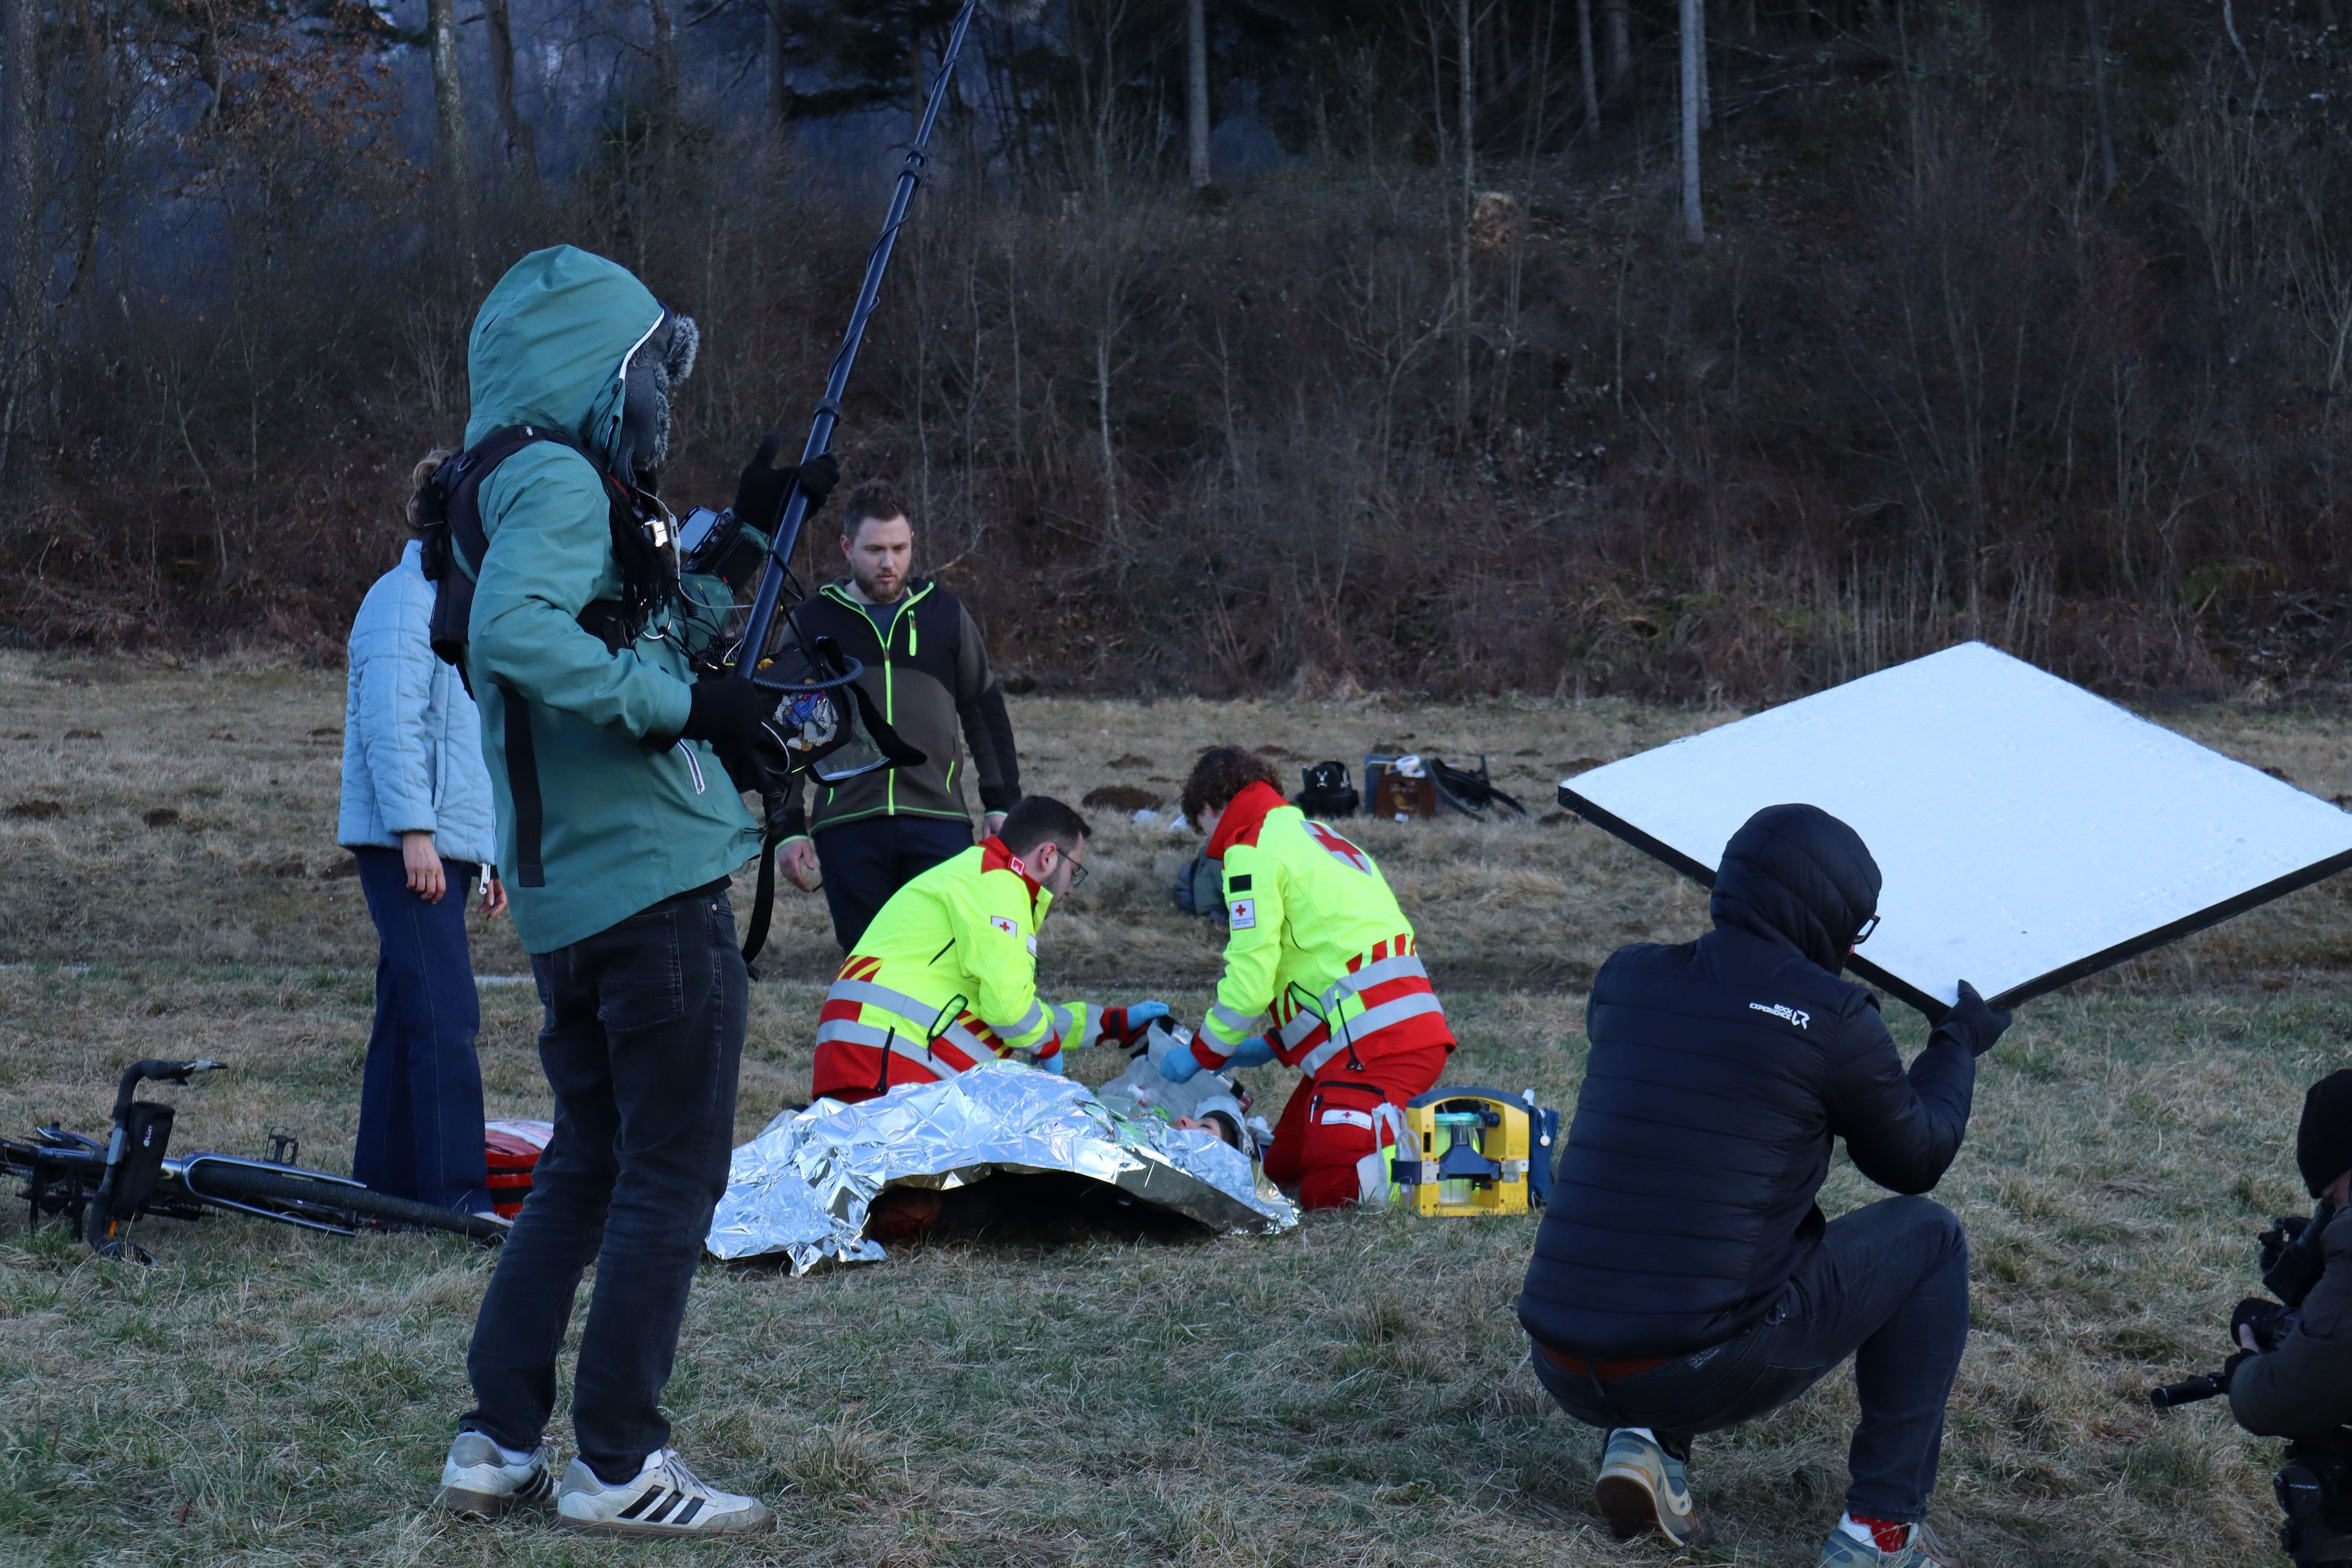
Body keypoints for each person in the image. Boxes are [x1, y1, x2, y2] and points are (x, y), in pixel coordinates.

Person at [430, 245, 834, 1539]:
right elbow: (524, 636)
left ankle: (496, 1443)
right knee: (671, 1175)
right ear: (600, 369)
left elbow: (639, 626)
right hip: (647, 886)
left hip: (571, 894)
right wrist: (690, 709)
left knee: (586, 1167)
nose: (662, 394)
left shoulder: (502, 478)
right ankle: (617, 1462)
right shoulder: (556, 474)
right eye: (651, 367)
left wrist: (750, 535)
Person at [1516, 804, 2012, 1568]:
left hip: (1561, 1359)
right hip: (1692, 1367)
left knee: (1688, 1195)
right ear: (1828, 917)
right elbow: (1914, 1161)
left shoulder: (1626, 977)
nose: (1854, 946)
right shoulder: (1832, 1014)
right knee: (1930, 1236)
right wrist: (1956, 1043)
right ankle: (1880, 1534)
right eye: (1856, 926)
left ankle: (1646, 1445)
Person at [1156, 747, 1456, 1210]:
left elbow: (1251, 980)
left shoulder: (1249, 848)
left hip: (1377, 1049)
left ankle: (1466, 1159)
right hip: (1397, 1032)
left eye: (1205, 830)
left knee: (1327, 1185)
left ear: (1212, 808)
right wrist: (1273, 1045)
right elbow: (1335, 958)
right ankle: (1396, 1127)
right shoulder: (1313, 833)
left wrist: (1203, 1052)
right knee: (1280, 1166)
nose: (1212, 848)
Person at [337, 454, 507, 1218]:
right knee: (447, 1016)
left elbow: (468, 742)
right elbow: (391, 726)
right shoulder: (402, 600)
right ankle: (457, 1199)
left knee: (408, 1010)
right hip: (407, 846)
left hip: (446, 846)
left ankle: (383, 1189)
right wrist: (414, 834)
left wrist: (490, 854)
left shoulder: (461, 604)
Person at [772, 478, 1022, 951]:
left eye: (899, 548)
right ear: (847, 547)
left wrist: (1001, 802)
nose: (888, 562)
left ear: (912, 544)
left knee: (942, 964)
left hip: (939, 821)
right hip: (847, 825)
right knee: (869, 968)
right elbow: (785, 732)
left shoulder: (945, 615)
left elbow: (984, 710)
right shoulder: (813, 622)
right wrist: (787, 828)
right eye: (874, 550)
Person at [808, 794, 1167, 1102]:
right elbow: (1009, 1012)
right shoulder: (1000, 887)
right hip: (891, 1063)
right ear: (1048, 855)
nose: (1071, 888)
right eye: (1074, 870)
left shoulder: (976, 875)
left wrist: (1108, 1023)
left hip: (871, 1054)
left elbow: (1009, 1007)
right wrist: (1047, 1047)